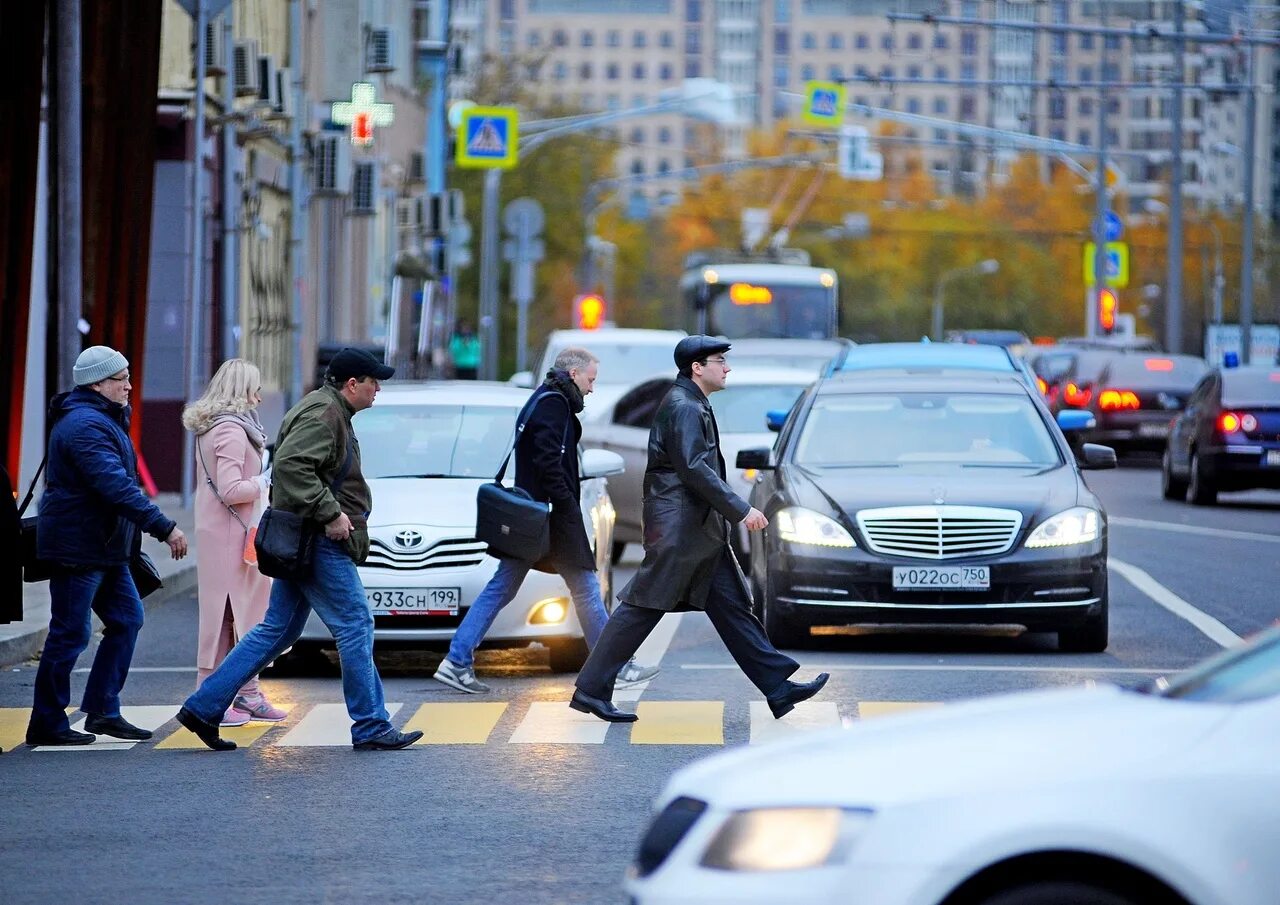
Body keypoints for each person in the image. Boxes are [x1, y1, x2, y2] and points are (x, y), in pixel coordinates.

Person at [571, 336, 829, 723]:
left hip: (697, 530)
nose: (726, 368)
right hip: (680, 531)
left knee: (735, 610)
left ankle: (777, 687)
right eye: (719, 361)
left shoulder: (692, 403)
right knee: (641, 608)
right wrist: (741, 510)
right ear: (697, 367)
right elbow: (694, 468)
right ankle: (591, 689)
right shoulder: (683, 406)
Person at [176, 347, 423, 751]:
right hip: (318, 539)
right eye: (374, 381)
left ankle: (203, 707)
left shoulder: (327, 409)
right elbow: (291, 466)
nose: (378, 388)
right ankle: (371, 725)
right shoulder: (325, 414)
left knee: (278, 628)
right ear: (352, 384)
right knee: (355, 623)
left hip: (303, 539)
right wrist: (331, 514)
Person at [433, 348, 660, 693]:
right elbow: (548, 461)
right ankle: (615, 667)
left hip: (535, 516)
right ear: (574, 374)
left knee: (505, 587)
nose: (592, 388)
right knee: (585, 589)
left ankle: (456, 661)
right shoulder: (554, 404)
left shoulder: (543, 398)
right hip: (552, 517)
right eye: (591, 379)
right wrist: (568, 504)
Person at [25, 346, 189, 747]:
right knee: (70, 633)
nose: (129, 385)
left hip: (106, 547)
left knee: (127, 620)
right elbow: (115, 486)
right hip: (78, 547)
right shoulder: (85, 426)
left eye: (129, 377)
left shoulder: (103, 418)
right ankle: (47, 721)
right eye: (121, 379)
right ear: (97, 384)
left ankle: (102, 710)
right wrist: (163, 526)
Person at [182, 358, 285, 727]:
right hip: (230, 533)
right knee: (226, 616)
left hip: (231, 531)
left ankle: (247, 694)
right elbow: (230, 490)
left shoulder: (228, 426)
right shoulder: (230, 430)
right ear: (242, 390)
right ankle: (210, 695)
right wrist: (267, 480)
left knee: (244, 616)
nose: (260, 395)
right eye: (255, 387)